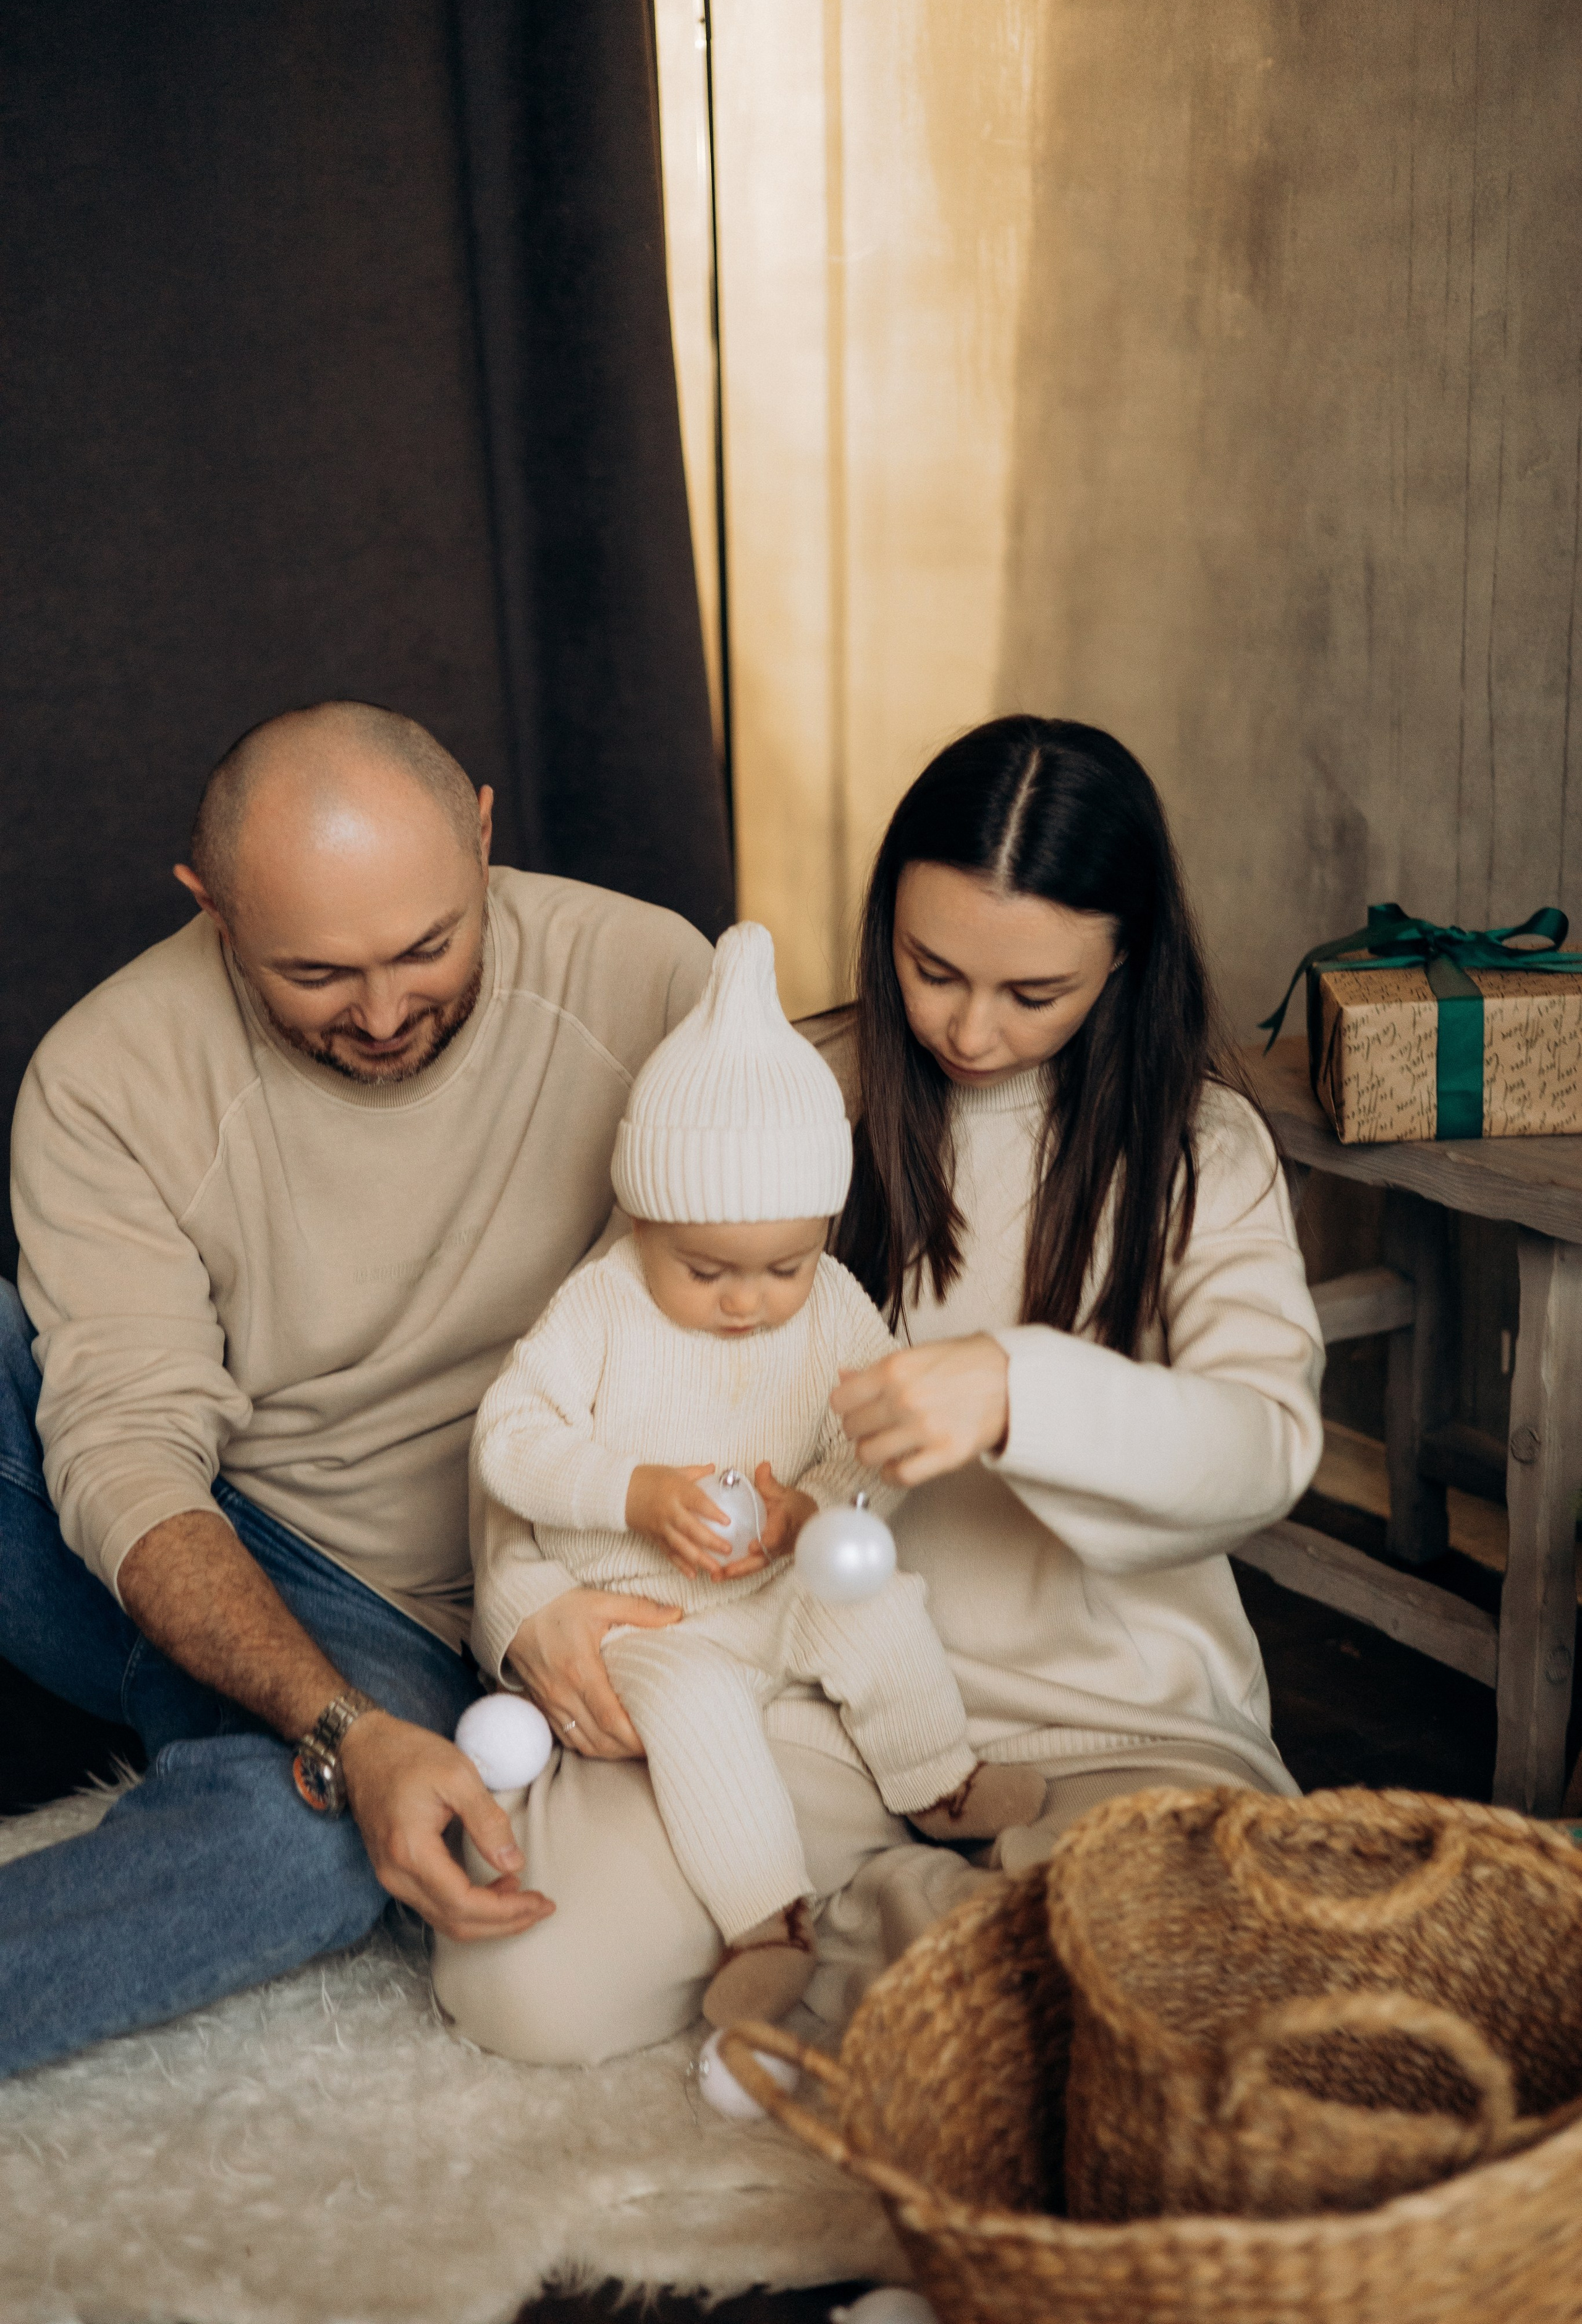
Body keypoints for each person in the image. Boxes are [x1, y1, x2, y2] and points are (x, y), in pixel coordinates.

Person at [464, 714, 1324, 2064]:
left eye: (1032, 994)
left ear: (1127, 958)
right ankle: (950, 1941)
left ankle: (886, 1935)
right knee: (525, 1986)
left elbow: (1263, 1450)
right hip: (783, 1690)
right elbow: (566, 1379)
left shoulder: (1197, 1152)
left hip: (1097, 1720)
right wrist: (530, 1614)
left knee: (1188, 1983)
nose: (969, 1031)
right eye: (931, 972)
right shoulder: (772, 1099)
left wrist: (1012, 1392)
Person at [0, 699, 714, 2080]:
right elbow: (127, 1449)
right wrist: (331, 1725)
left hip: (417, 1598)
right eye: (316, 973)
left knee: (324, 1838)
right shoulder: (104, 1071)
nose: (385, 1014)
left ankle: (233, 1756)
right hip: (188, 1514)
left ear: (485, 840)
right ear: (211, 911)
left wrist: (387, 1720)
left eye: (429, 946)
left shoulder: (646, 981)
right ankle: (223, 1714)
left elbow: (745, 1323)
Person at [436, 923, 1043, 2046]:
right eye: (706, 1269)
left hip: (769, 1582)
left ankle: (935, 1779)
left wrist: (808, 1509)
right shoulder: (603, 1306)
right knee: (703, 1717)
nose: (748, 1302)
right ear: (642, 1218)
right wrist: (635, 1493)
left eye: (784, 1266)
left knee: (871, 1603)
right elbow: (510, 1440)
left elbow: (874, 1438)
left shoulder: (834, 1309)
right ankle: (767, 1923)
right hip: (647, 1619)